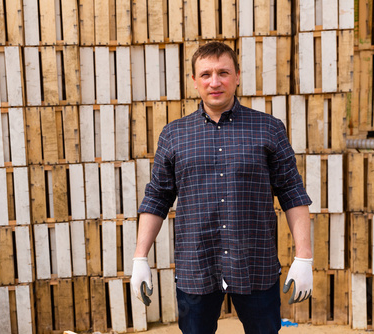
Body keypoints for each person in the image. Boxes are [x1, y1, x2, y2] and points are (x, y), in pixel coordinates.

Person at [130, 41, 313, 334]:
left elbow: (292, 193)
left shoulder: (268, 129)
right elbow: (157, 198)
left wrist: (304, 257)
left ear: (237, 76)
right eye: (205, 74)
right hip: (197, 267)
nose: (215, 82)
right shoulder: (173, 135)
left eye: (223, 73)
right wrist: (140, 257)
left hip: (255, 264)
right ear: (194, 81)